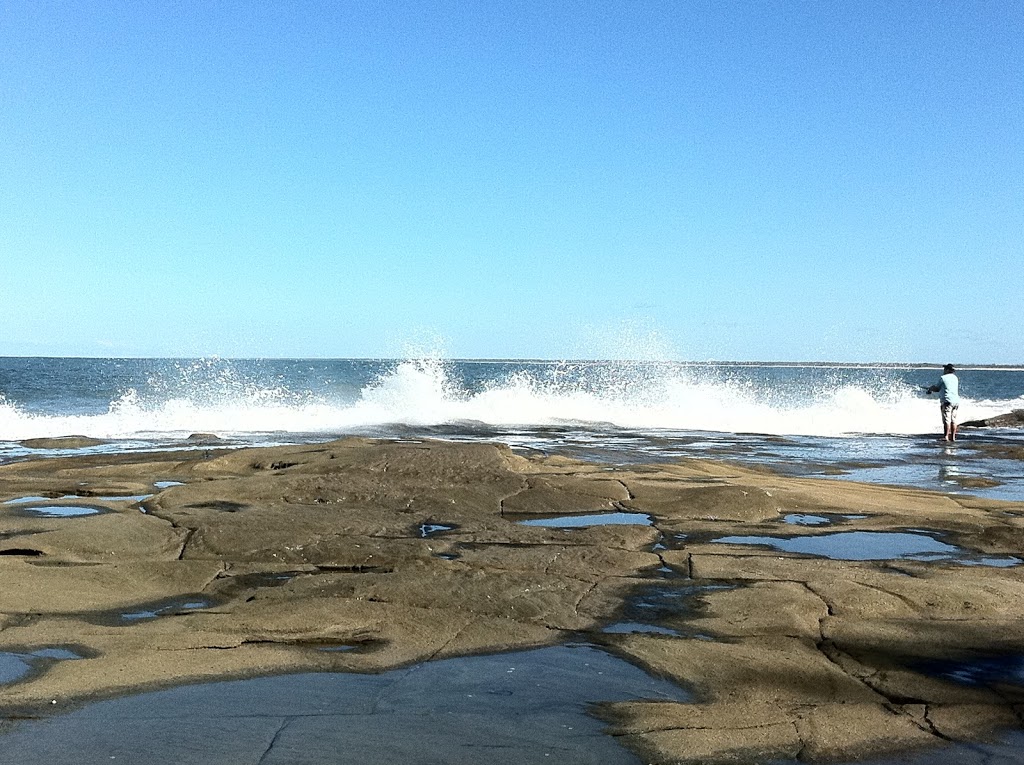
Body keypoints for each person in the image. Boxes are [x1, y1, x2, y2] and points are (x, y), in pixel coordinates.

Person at [926, 364, 960, 441]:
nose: (943, 370)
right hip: (956, 401)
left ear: (948, 370)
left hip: (947, 401)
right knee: (953, 420)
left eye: (945, 369)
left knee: (946, 420)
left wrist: (930, 388)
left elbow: (937, 388)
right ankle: (953, 437)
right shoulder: (955, 378)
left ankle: (946, 437)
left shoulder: (943, 378)